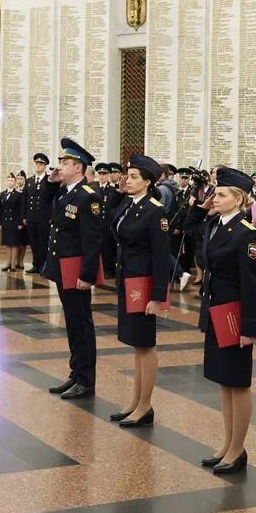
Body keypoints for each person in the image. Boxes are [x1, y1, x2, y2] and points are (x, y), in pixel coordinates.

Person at [198, 167, 256, 473]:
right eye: (215, 193)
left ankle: (238, 449)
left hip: (234, 315)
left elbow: (250, 284)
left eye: (221, 194)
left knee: (237, 382)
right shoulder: (215, 224)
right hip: (216, 311)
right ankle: (227, 444)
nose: (215, 198)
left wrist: (250, 327)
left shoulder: (247, 233)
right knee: (224, 381)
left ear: (238, 199)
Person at [110, 155, 172, 428]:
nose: (128, 180)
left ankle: (146, 405)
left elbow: (161, 256)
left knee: (145, 344)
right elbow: (111, 224)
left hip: (143, 284)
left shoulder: (155, 211)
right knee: (136, 343)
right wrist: (118, 194)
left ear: (148, 182)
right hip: (128, 279)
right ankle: (135, 401)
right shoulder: (129, 204)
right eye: (128, 175)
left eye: (134, 177)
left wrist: (158, 296)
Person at [43, 138, 104, 400]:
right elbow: (45, 203)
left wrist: (87, 275)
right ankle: (76, 373)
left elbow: (92, 240)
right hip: (63, 267)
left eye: (65, 162)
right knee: (71, 322)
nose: (60, 166)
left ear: (78, 167)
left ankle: (86, 380)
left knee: (81, 324)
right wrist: (51, 181)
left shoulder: (88, 196)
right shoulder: (66, 191)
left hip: (76, 269)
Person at [25, 153, 53, 272]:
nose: (38, 166)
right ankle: (36, 264)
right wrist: (24, 216)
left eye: (41, 164)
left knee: (43, 242)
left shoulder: (49, 181)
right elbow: (25, 199)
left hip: (44, 217)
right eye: (37, 163)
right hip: (31, 217)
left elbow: (53, 200)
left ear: (45, 166)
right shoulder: (29, 181)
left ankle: (43, 265)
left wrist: (52, 216)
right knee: (33, 242)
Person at [0, 173, 26, 270]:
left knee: (14, 244)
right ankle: (8, 262)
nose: (10, 182)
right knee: (7, 243)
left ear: (15, 182)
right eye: (8, 180)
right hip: (6, 222)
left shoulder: (18, 194)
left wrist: (20, 222)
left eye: (12, 180)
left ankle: (13, 263)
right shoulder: (3, 194)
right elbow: (1, 209)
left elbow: (21, 209)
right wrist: (0, 222)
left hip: (15, 222)